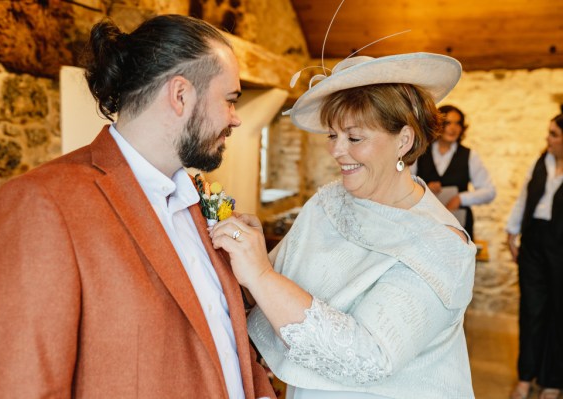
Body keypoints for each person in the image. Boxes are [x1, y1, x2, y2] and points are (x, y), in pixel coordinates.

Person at [0, 15, 275, 399]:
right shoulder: (44, 203)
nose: (236, 118)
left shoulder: (198, 202)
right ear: (180, 95)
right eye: (230, 99)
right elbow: (19, 388)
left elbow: (221, 339)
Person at [210, 52, 477, 398]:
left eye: (354, 138)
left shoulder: (442, 246)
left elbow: (368, 357)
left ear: (404, 141)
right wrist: (254, 253)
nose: (336, 150)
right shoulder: (328, 202)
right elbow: (271, 288)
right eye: (332, 136)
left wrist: (261, 274)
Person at [506, 106, 563, 399]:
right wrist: (512, 232)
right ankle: (525, 376)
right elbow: (525, 197)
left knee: (558, 312)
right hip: (535, 241)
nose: (548, 139)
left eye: (554, 134)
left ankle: (553, 380)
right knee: (531, 309)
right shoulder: (541, 161)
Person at [411, 104, 496, 241]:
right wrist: (423, 188)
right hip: (426, 226)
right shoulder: (420, 153)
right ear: (437, 124)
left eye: (458, 123)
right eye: (448, 123)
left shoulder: (470, 156)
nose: (453, 128)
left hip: (459, 227)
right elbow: (406, 184)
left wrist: (461, 198)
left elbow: (489, 191)